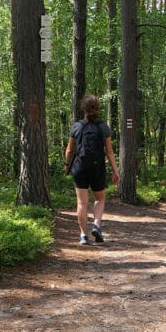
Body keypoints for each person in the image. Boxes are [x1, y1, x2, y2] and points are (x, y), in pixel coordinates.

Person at [65, 94, 120, 245]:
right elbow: (109, 151)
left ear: (83, 109)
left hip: (79, 167)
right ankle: (96, 225)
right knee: (100, 198)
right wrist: (115, 171)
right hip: (97, 167)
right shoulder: (103, 127)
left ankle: (83, 235)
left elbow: (69, 150)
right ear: (98, 109)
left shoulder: (77, 127)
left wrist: (66, 165)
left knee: (82, 202)